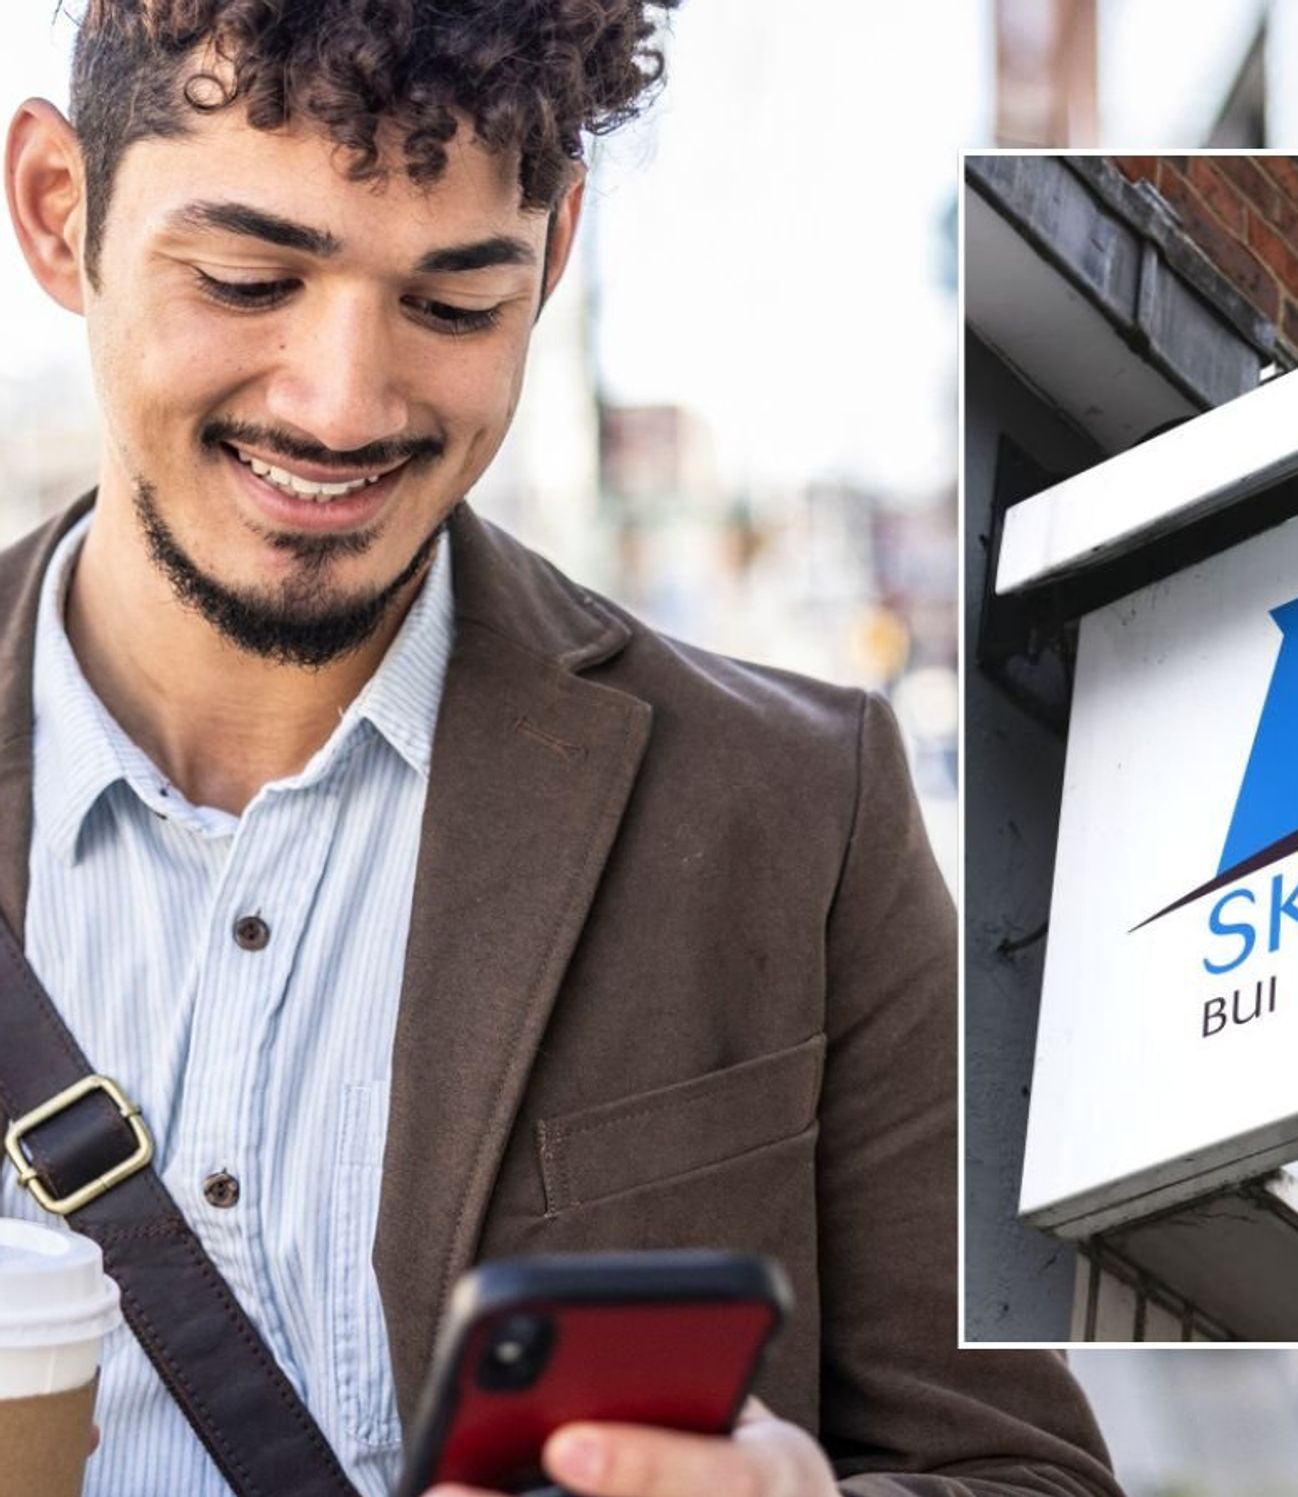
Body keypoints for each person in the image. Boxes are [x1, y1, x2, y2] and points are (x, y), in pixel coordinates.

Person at [0, 3, 1118, 1495]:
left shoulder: (800, 816)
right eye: (249, 278)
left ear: (559, 251)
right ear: (59, 211)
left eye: (455, 304)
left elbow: (1030, 1475)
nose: (343, 404)